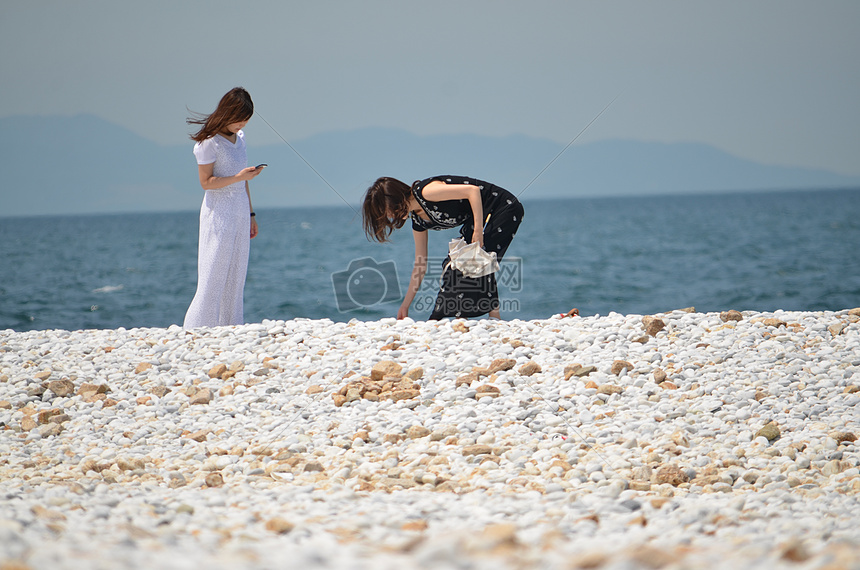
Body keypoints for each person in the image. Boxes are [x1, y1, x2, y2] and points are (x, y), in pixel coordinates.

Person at [362, 175, 524, 320]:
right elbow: (420, 265)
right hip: (478, 218)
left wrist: (477, 230)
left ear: (394, 199)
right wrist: (405, 305)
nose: (389, 216)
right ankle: (463, 318)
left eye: (387, 210)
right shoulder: (418, 221)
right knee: (454, 264)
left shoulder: (426, 192)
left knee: (475, 259)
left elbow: (472, 191)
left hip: (503, 207)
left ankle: (490, 318)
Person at [183, 87, 264, 329]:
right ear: (228, 114)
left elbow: (243, 182)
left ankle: (230, 326)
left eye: (246, 121)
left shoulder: (240, 140)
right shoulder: (209, 143)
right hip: (218, 213)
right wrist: (239, 177)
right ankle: (197, 328)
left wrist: (251, 214)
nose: (242, 125)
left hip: (240, 210)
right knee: (213, 273)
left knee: (236, 274)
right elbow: (206, 183)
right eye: (240, 120)